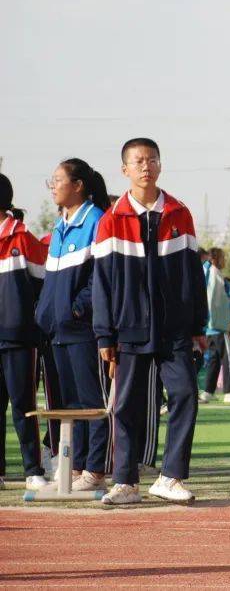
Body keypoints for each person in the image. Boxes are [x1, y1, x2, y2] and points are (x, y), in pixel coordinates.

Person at [93, 138, 208, 505]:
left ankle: (171, 477)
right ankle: (125, 481)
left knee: (186, 395)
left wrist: (198, 326)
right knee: (126, 406)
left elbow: (194, 274)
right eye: (138, 161)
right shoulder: (111, 220)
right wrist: (103, 334)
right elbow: (102, 282)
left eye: (152, 160)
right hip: (129, 328)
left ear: (160, 166)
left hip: (175, 329)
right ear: (125, 169)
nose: (146, 167)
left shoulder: (179, 213)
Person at [35, 159, 112, 491]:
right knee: (68, 404)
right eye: (50, 181)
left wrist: (77, 310)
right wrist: (45, 313)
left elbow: (100, 277)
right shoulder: (59, 225)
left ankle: (96, 469)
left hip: (82, 329)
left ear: (78, 185)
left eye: (57, 180)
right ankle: (75, 468)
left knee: (91, 402)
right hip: (58, 331)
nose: (53, 186)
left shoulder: (96, 220)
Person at [0, 173, 49, 491]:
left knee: (23, 405)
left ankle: (33, 470)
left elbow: (46, 284)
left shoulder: (22, 239)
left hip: (19, 338)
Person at [200, 247, 230, 402]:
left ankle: (208, 391)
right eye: (223, 257)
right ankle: (229, 391)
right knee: (228, 357)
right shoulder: (213, 272)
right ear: (216, 258)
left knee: (213, 359)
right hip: (217, 325)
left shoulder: (208, 271)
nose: (224, 260)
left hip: (210, 327)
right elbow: (214, 300)